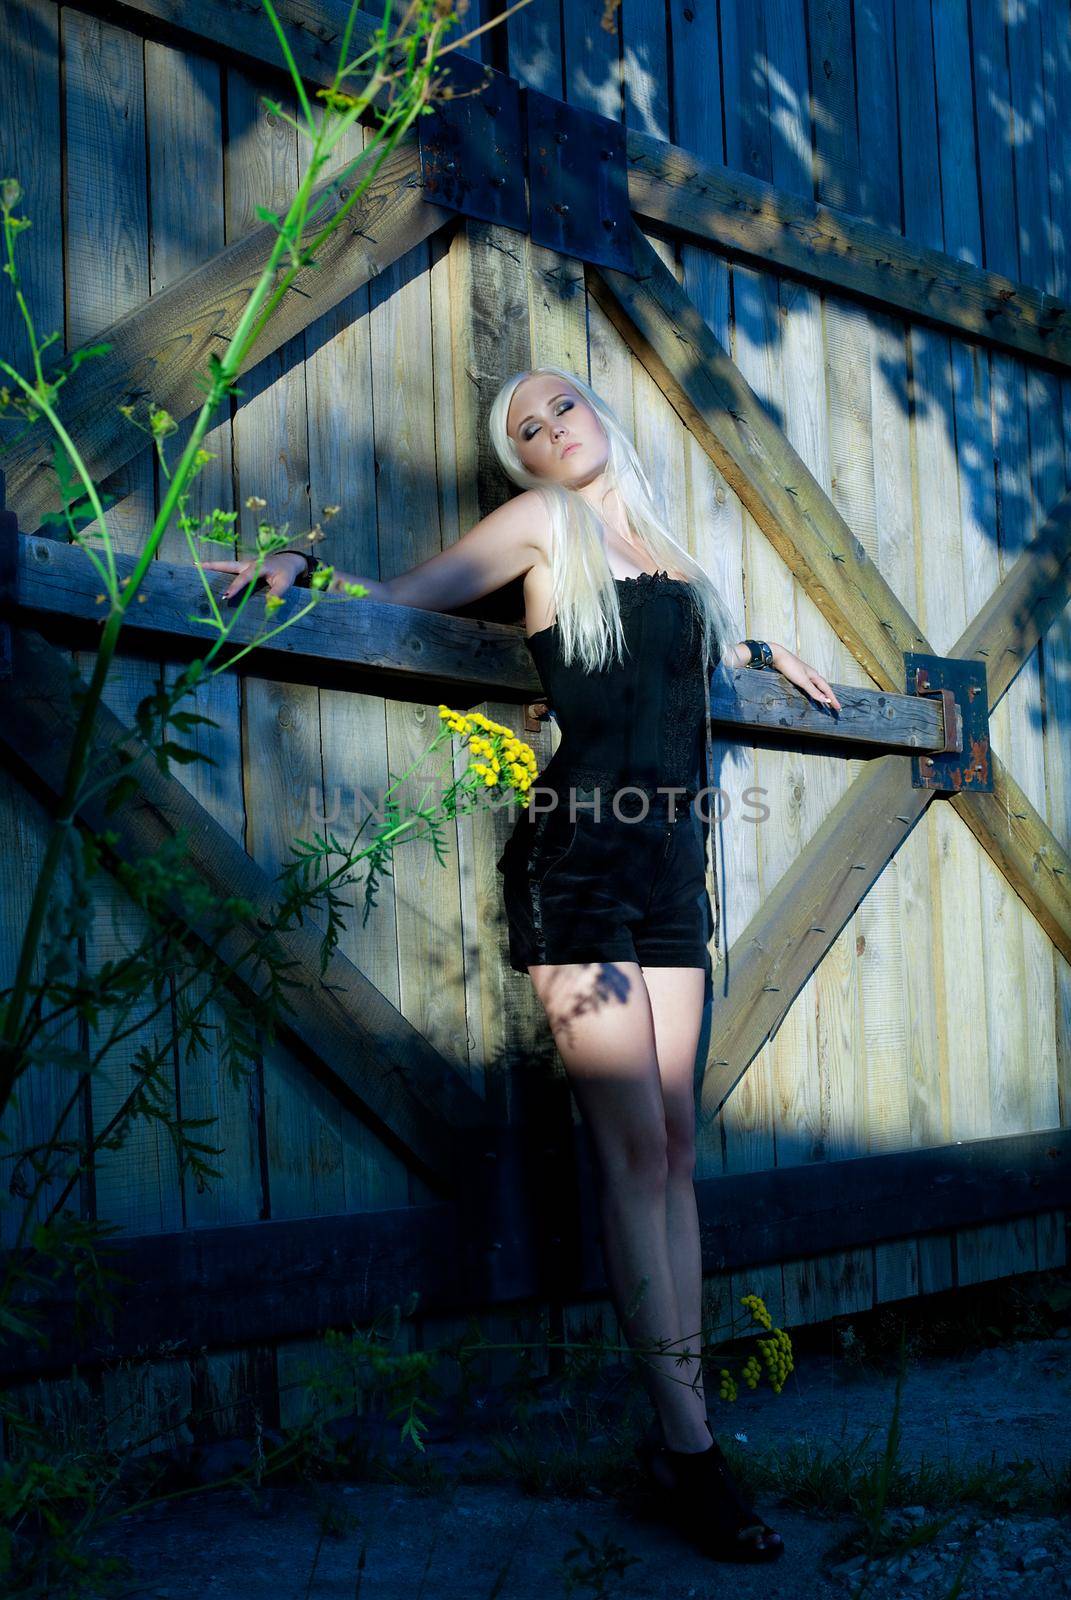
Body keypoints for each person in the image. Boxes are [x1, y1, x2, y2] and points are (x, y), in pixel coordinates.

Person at [203, 365, 841, 1562]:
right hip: (580, 867)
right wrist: (295, 566)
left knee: (674, 1149)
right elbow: (406, 598)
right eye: (526, 430)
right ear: (525, 464)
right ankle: (693, 1456)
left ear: (601, 413)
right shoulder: (546, 528)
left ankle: (681, 1433)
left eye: (562, 406)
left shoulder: (673, 560)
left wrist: (763, 649)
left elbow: (674, 665)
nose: (551, 431)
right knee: (630, 1152)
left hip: (667, 874)